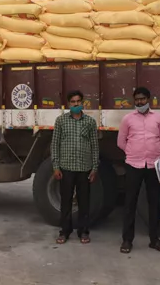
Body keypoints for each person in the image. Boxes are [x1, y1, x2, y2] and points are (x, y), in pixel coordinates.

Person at [117, 87, 160, 254]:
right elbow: (121, 141)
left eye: (142, 99)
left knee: (154, 204)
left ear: (149, 99)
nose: (140, 102)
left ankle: (155, 240)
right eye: (137, 99)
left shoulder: (158, 118)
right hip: (134, 165)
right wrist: (132, 152)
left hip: (154, 166)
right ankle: (127, 240)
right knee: (130, 203)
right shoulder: (127, 119)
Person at [51, 90, 99, 245]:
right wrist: (56, 166)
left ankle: (83, 231)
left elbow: (94, 146)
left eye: (78, 101)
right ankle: (64, 231)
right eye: (73, 102)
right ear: (68, 104)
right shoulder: (61, 121)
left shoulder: (90, 122)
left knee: (84, 202)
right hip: (66, 167)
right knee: (66, 201)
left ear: (82, 102)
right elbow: (55, 144)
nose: (76, 104)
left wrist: (94, 168)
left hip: (84, 168)